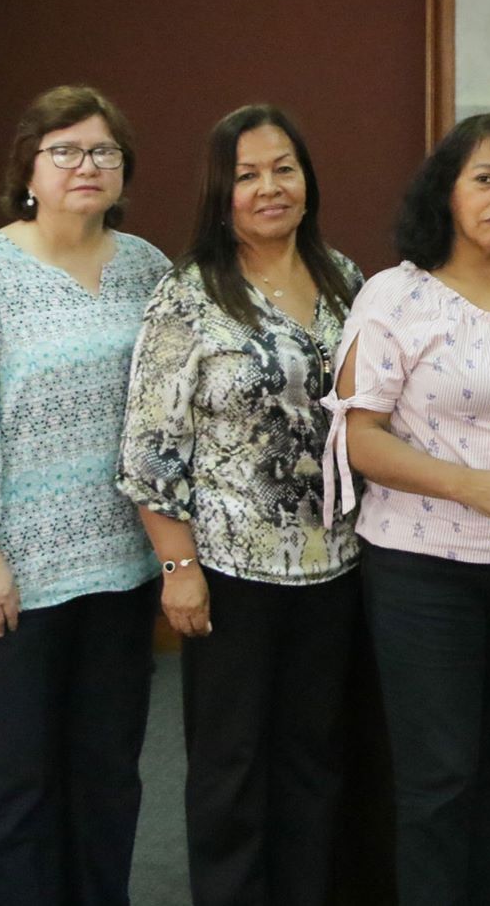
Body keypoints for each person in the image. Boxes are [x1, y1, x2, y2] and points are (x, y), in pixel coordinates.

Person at [322, 113, 490, 906]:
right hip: (423, 571)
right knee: (440, 779)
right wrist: (463, 483)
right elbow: (357, 439)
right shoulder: (395, 295)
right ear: (445, 189)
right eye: (485, 177)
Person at [0, 84, 169, 904]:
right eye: (64, 150)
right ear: (30, 166)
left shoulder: (149, 269)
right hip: (12, 571)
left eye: (103, 151)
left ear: (123, 172)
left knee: (106, 770)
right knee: (20, 777)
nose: (84, 165)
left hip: (121, 565)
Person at [118, 105, 364, 906]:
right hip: (230, 571)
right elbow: (150, 450)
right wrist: (178, 565)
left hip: (337, 565)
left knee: (314, 761)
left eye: (283, 168)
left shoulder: (346, 279)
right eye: (248, 174)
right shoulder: (187, 295)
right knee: (231, 769)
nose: (269, 188)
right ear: (222, 191)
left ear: (306, 178)